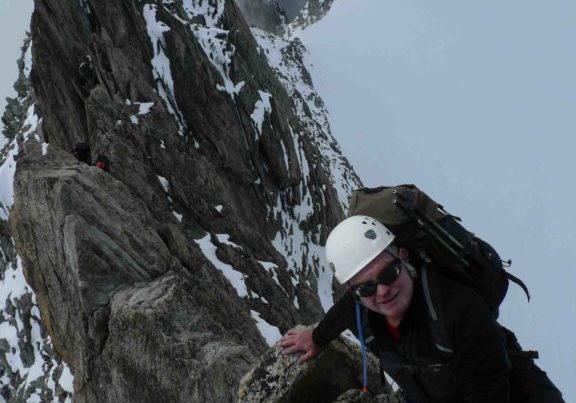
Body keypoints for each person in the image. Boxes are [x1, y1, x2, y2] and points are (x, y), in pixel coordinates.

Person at [278, 215, 564, 403]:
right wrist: (316, 338)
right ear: (354, 292)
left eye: (389, 273)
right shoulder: (362, 311)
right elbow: (344, 311)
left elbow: (488, 394)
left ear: (403, 257)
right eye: (365, 287)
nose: (382, 291)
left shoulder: (459, 310)